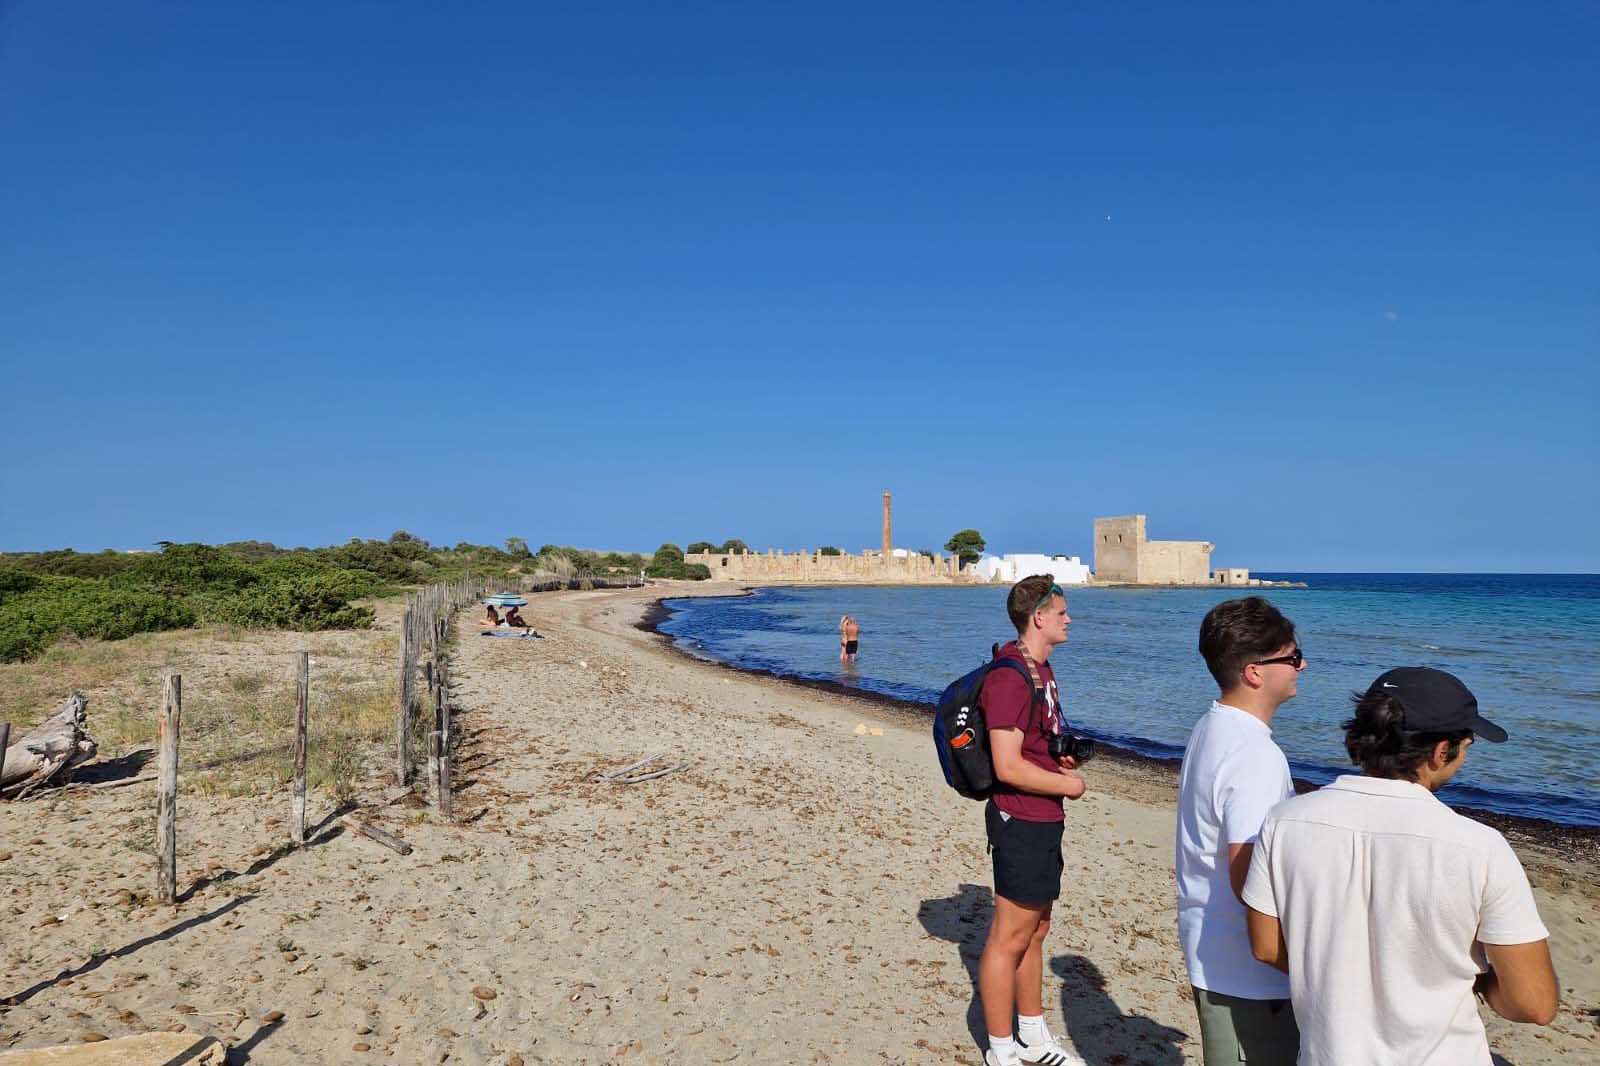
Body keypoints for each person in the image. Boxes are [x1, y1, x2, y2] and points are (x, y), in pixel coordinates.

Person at [1243, 667, 1558, 1065]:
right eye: (1467, 745)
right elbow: (1534, 1003)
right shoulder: (1479, 847)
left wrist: (1334, 971)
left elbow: (1266, 945)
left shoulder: (1284, 822)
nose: (1464, 758)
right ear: (1441, 750)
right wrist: (1480, 981)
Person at [1175, 597, 1304, 1066]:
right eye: (1291, 657)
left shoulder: (1211, 726)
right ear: (1254, 672)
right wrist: (1293, 958)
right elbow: (1246, 870)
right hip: (1249, 969)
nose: (1301, 665)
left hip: (1213, 947)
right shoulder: (1254, 754)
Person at [977, 575, 1089, 1066]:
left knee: (1037, 931)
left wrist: (1061, 763)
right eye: (1061, 612)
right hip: (1019, 818)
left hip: (1043, 816)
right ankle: (1000, 1050)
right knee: (1009, 937)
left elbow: (1032, 747)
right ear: (1037, 617)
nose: (1068, 619)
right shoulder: (1009, 676)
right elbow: (1006, 765)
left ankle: (1033, 1036)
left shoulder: (1042, 670)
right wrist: (1069, 785)